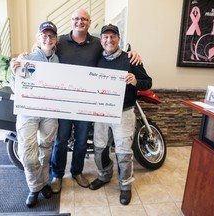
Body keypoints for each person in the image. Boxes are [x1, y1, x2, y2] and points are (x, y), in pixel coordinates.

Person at [50, 8, 144, 194]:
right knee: (61, 140)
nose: (80, 22)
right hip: (65, 102)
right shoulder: (59, 41)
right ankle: (57, 175)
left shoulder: (96, 43)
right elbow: (43, 48)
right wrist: (23, 57)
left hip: (89, 104)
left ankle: (77, 172)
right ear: (71, 21)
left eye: (84, 19)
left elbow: (115, 50)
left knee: (82, 141)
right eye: (76, 19)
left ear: (89, 22)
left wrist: (134, 54)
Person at [88, 24, 152, 205]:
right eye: (105, 37)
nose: (109, 40)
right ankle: (104, 175)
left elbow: (148, 82)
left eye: (113, 36)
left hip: (124, 112)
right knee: (100, 147)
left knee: (123, 152)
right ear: (101, 40)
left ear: (119, 39)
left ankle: (125, 185)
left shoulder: (130, 59)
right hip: (102, 112)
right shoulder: (96, 60)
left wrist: (135, 81)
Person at [11, 21, 59, 208]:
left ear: (56, 39)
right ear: (38, 38)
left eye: (51, 35)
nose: (48, 38)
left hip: (49, 112)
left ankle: (43, 183)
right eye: (44, 35)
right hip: (27, 113)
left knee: (46, 149)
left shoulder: (58, 60)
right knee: (27, 154)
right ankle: (34, 187)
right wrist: (14, 72)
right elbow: (17, 89)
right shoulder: (26, 59)